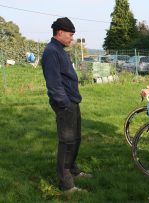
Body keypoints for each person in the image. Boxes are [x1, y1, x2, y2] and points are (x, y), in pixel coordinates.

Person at [41, 17, 91, 193]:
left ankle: (73, 170)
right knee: (67, 142)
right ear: (60, 32)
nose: (72, 38)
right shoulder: (51, 52)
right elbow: (54, 84)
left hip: (71, 101)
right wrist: (64, 103)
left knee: (75, 139)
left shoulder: (60, 49)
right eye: (70, 35)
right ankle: (67, 185)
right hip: (65, 104)